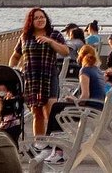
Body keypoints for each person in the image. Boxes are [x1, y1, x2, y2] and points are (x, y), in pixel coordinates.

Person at [9, 8, 69, 136]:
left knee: (51, 112)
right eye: (36, 18)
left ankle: (54, 146)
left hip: (48, 76)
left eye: (42, 17)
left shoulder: (54, 34)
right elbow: (15, 56)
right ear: (31, 21)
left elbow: (65, 51)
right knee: (37, 114)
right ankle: (40, 145)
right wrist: (13, 70)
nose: (40, 20)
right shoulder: (25, 37)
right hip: (31, 79)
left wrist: (50, 41)